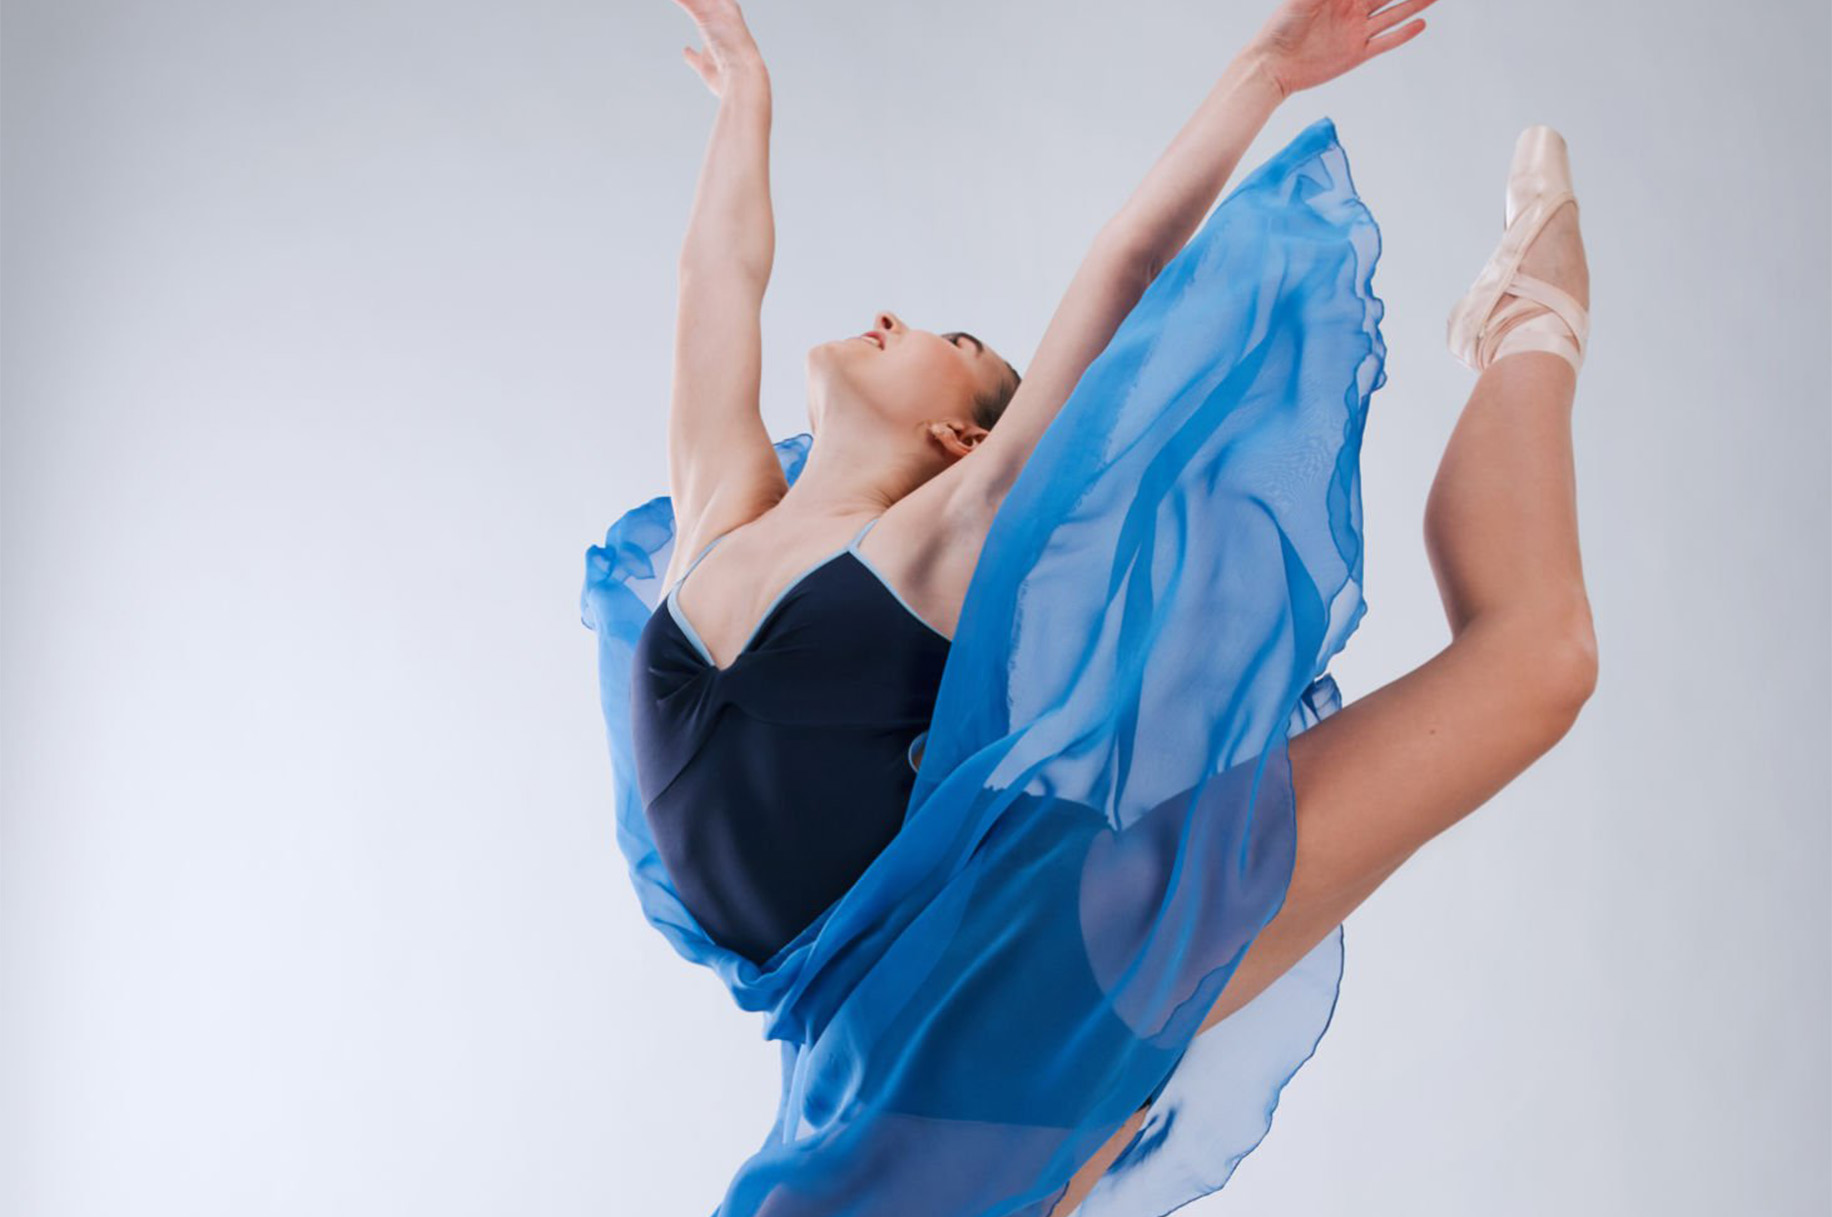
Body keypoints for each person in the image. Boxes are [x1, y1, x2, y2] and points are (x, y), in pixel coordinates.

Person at [581, 0, 1597, 1212]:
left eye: (949, 338)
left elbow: (1124, 264)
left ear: (963, 435)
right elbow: (716, 279)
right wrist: (746, 95)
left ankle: (1528, 328)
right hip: (879, 1028)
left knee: (1538, 658)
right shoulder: (718, 512)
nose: (900, 317)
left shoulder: (942, 540)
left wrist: (1264, 70)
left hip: (1036, 948)